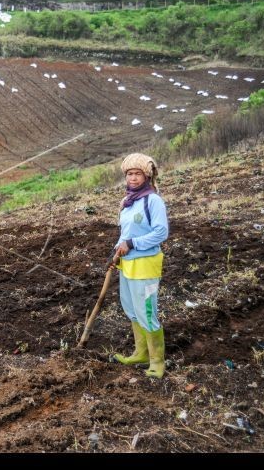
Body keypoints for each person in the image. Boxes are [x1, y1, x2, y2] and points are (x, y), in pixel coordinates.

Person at [110, 153, 169, 378]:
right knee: (132, 310)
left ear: (147, 176)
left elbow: (161, 232)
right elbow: (125, 234)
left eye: (137, 174)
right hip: (127, 265)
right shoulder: (127, 202)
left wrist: (133, 243)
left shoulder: (152, 200)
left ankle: (157, 362)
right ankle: (141, 353)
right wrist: (117, 250)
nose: (133, 179)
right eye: (129, 174)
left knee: (146, 312)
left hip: (146, 264)